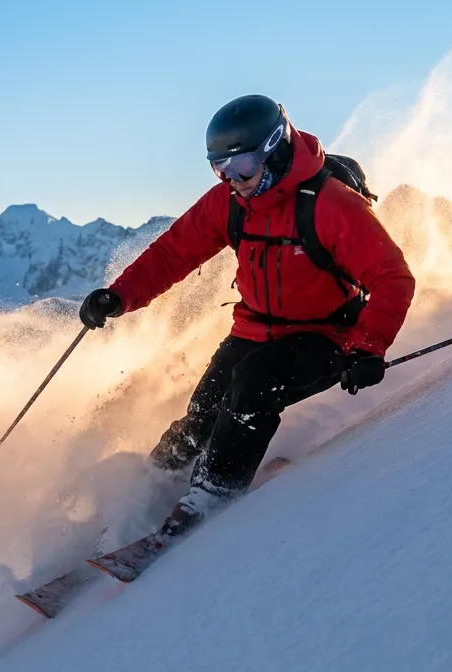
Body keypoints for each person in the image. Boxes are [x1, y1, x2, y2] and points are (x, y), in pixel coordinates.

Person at [78, 94, 416, 537]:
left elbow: (393, 278)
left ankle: (210, 494)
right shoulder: (231, 203)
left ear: (275, 149)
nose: (233, 181)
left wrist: (369, 348)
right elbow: (173, 253)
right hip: (254, 329)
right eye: (221, 170)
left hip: (326, 337)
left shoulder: (331, 205)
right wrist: (118, 296)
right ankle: (143, 495)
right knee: (203, 411)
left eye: (243, 168)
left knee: (256, 383)